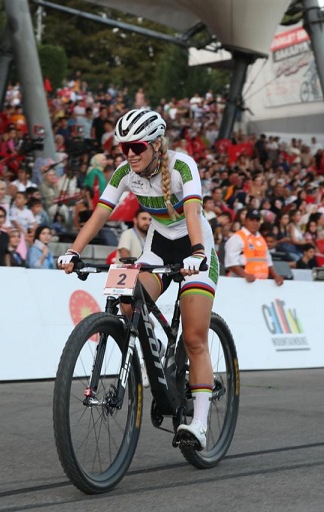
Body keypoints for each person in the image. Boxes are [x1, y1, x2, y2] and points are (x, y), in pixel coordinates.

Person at [58, 109, 216, 450]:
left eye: (137, 146)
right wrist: (73, 251)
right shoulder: (124, 174)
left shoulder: (182, 166)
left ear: (156, 144)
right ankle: (155, 347)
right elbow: (100, 213)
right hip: (157, 248)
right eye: (124, 147)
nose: (130, 153)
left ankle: (199, 423)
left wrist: (199, 253)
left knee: (194, 338)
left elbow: (191, 212)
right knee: (126, 297)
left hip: (195, 245)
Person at [224, 209, 285, 285]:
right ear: (245, 220)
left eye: (257, 220)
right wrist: (245, 275)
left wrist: (276, 276)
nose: (255, 223)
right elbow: (231, 262)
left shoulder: (261, 239)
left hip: (260, 283)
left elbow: (268, 261)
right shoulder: (237, 238)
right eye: (251, 220)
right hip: (240, 282)